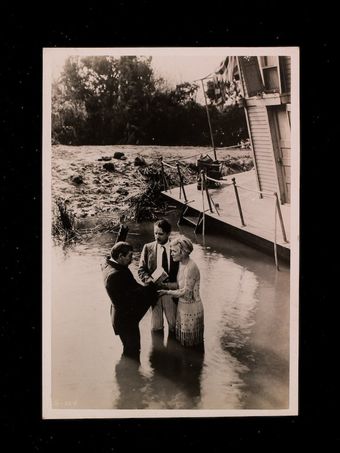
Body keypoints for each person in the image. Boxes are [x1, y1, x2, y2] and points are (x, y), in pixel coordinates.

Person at [102, 241, 158, 359]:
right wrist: (153, 285)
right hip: (126, 321)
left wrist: (122, 234)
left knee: (129, 348)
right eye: (129, 256)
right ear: (120, 256)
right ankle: (130, 374)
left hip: (119, 316)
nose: (132, 259)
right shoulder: (118, 275)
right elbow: (138, 295)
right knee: (133, 350)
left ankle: (127, 372)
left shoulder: (106, 264)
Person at [158, 236, 204, 347]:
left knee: (190, 344)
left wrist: (166, 292)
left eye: (174, 251)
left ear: (183, 252)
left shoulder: (190, 267)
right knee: (182, 341)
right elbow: (180, 285)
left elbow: (186, 292)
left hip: (191, 308)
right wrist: (163, 284)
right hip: (182, 306)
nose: (171, 254)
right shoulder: (181, 263)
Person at [138, 219, 179, 334]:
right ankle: (157, 350)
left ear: (168, 233)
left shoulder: (175, 248)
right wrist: (148, 280)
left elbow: (182, 272)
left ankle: (174, 349)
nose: (157, 237)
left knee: (174, 326)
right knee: (156, 328)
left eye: (160, 234)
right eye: (155, 233)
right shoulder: (147, 247)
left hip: (170, 293)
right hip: (153, 293)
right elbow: (141, 270)